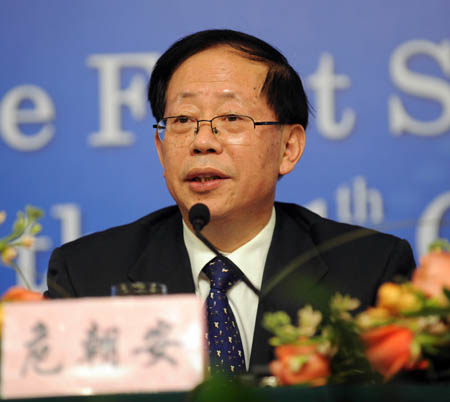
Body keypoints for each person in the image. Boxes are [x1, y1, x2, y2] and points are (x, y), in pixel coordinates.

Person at [45, 29, 415, 372]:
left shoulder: (371, 271)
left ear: (288, 147)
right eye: (183, 120)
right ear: (161, 149)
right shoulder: (86, 277)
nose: (202, 141)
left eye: (232, 117)